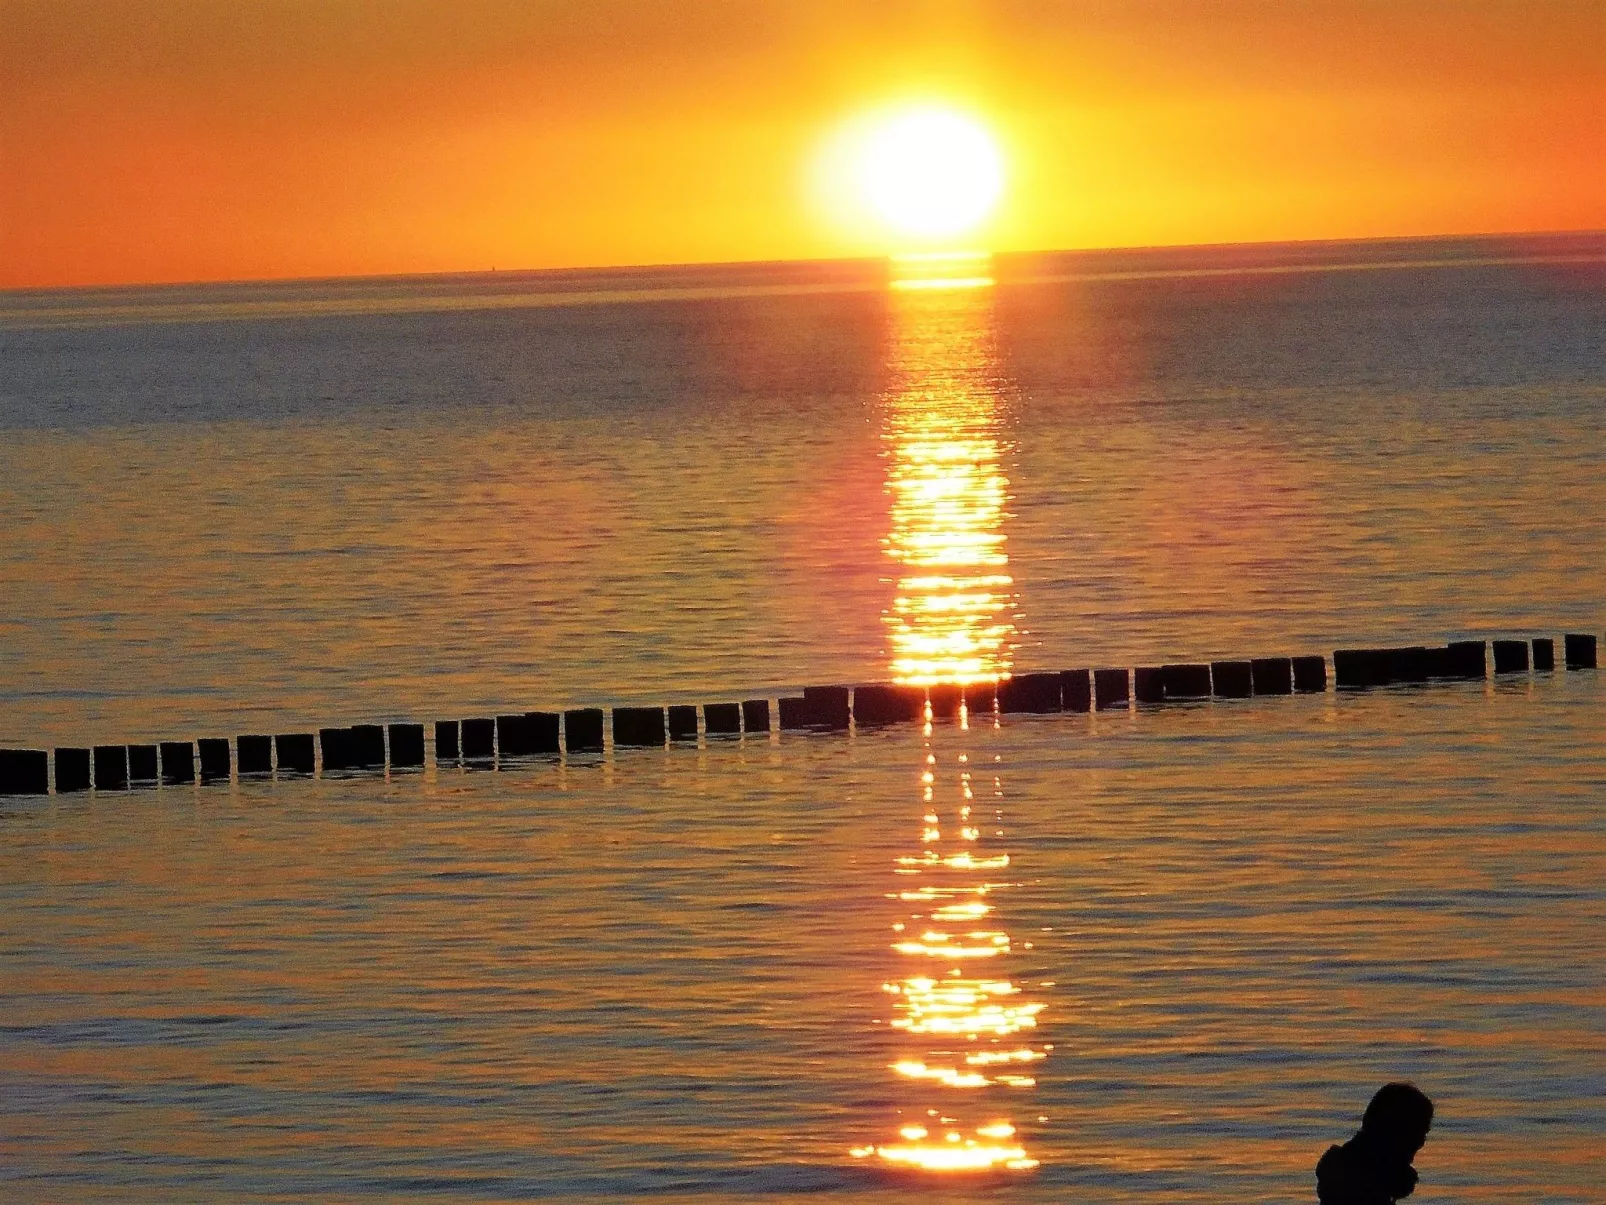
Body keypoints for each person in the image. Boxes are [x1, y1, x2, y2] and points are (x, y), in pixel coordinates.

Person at [1315, 1082, 1434, 1202]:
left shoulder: (1346, 1174)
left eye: (1424, 1133)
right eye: (1417, 1132)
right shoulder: (1359, 1187)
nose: (1421, 1142)